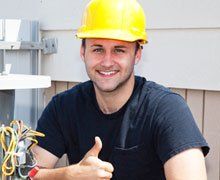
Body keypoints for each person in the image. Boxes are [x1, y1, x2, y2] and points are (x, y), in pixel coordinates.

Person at [32, 0, 209, 179]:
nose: (107, 62)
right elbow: (27, 174)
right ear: (82, 51)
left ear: (137, 54)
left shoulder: (167, 110)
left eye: (119, 50)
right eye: (98, 49)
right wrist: (68, 175)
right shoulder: (63, 107)